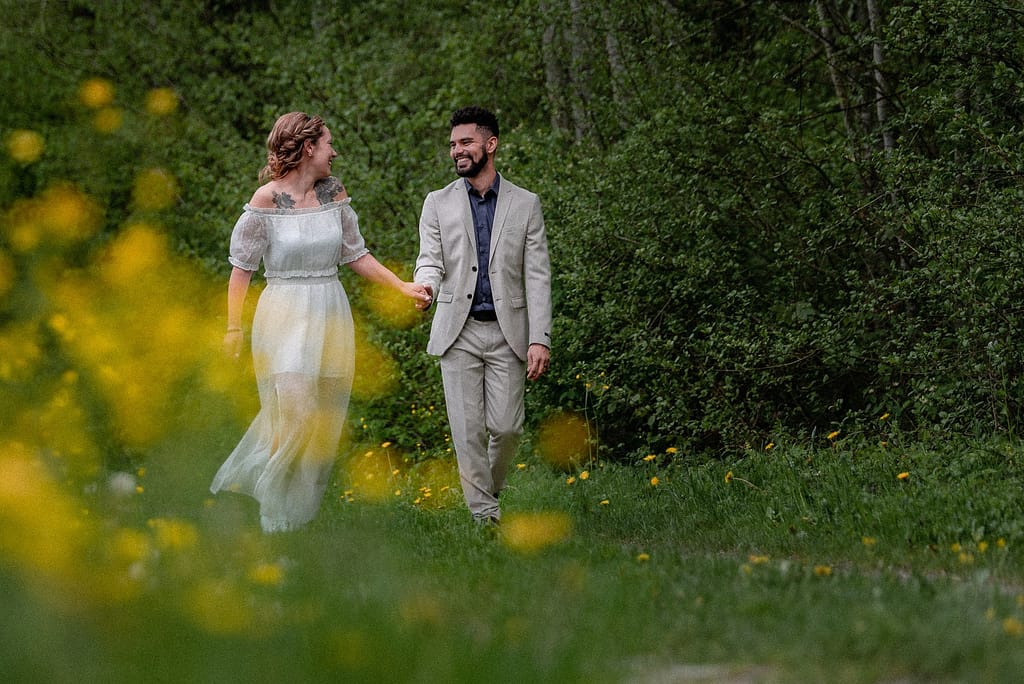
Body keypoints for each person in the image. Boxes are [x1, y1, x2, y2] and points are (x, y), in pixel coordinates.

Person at [211, 112, 430, 533]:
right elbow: (241, 268)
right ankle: (269, 505)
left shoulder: (334, 194)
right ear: (308, 147)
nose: (335, 152)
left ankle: (297, 519)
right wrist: (233, 327)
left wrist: (400, 286)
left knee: (322, 421)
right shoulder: (266, 200)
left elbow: (355, 253)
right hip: (284, 312)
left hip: (330, 310)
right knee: (295, 411)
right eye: (329, 143)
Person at [414, 106, 552, 526]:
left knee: (507, 429)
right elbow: (430, 260)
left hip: (509, 333)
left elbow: (538, 274)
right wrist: (426, 287)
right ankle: (485, 518)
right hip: (458, 332)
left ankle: (483, 492)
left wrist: (540, 337)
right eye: (453, 144)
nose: (457, 151)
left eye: (466, 143)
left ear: (490, 145)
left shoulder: (526, 204)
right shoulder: (436, 203)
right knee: (468, 431)